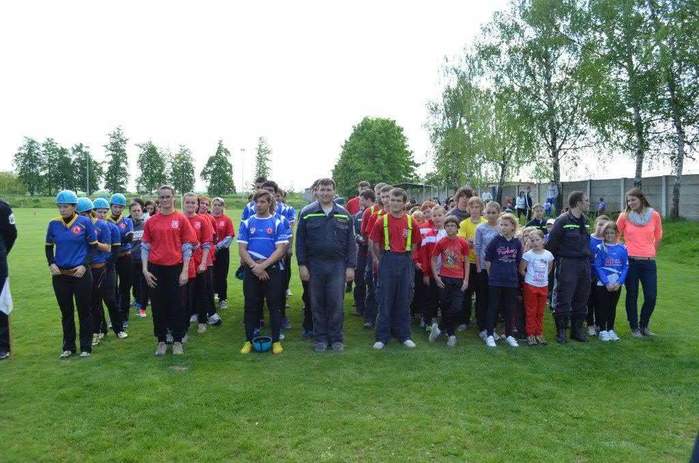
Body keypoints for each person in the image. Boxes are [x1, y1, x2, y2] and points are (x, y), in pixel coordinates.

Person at [296, 178, 356, 353]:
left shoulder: (344, 214)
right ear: (316, 191)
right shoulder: (307, 213)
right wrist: (302, 265)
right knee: (317, 303)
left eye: (328, 189)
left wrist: (350, 266)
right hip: (314, 265)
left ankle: (336, 338)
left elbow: (351, 243)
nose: (325, 193)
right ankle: (320, 339)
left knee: (336, 303)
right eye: (322, 189)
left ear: (334, 192)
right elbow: (300, 242)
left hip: (337, 265)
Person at [141, 185, 197, 356]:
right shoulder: (151, 221)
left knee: (178, 305)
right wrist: (145, 270)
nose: (165, 200)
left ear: (173, 197)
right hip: (155, 269)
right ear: (158, 199)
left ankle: (178, 340)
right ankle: (161, 341)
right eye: (162, 197)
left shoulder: (181, 219)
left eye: (167, 196)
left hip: (176, 268)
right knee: (158, 306)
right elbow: (145, 246)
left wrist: (185, 271)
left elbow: (187, 246)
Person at [46, 191, 98, 358]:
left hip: (80, 274)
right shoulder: (53, 224)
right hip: (60, 275)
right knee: (66, 312)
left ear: (74, 207)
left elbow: (93, 246)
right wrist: (51, 263)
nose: (62, 210)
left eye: (65, 206)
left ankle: (86, 347)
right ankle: (68, 347)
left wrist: (84, 265)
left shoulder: (85, 222)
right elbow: (48, 246)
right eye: (60, 207)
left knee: (84, 311)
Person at [238, 189, 291, 355]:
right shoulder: (247, 222)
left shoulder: (277, 222)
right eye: (256, 202)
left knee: (275, 306)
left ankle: (276, 341)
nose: (259, 205)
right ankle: (248, 340)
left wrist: (263, 266)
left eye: (262, 202)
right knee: (250, 305)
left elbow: (280, 249)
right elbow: (242, 249)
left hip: (272, 270)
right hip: (252, 269)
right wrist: (255, 267)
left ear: (269, 203)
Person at [369, 187, 422, 350]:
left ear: (404, 203)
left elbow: (415, 243)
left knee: (404, 299)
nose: (395, 203)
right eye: (392, 200)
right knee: (385, 299)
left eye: (399, 201)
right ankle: (382, 337)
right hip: (387, 259)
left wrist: (408, 257)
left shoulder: (411, 221)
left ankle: (404, 335)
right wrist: (381, 259)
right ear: (388, 201)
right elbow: (374, 243)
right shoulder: (381, 221)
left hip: (405, 261)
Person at [546, 191, 592, 344]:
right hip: (568, 263)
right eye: (586, 200)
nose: (588, 203)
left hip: (584, 263)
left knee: (582, 297)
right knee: (564, 297)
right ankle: (561, 331)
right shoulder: (562, 220)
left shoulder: (586, 220)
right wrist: (557, 263)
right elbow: (551, 244)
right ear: (578, 203)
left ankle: (576, 331)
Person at [616, 187, 663, 337]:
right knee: (632, 295)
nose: (630, 203)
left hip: (649, 263)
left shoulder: (654, 215)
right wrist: (621, 250)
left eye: (633, 200)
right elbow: (615, 235)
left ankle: (644, 325)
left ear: (641, 199)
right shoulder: (624, 216)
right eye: (628, 201)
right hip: (630, 262)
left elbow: (658, 235)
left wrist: (652, 251)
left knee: (651, 296)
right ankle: (634, 327)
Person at [83, 198, 127, 345]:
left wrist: (108, 266)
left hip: (108, 267)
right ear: (93, 212)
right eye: (99, 212)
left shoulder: (112, 228)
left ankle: (118, 328)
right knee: (94, 300)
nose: (102, 214)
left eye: (104, 212)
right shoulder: (86, 226)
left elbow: (115, 250)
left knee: (110, 299)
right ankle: (101, 329)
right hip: (91, 268)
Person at [428, 216, 470, 347]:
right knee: (445, 306)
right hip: (444, 278)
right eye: (448, 226)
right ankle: (451, 335)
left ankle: (440, 328)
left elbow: (467, 261)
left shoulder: (463, 242)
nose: (450, 228)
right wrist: (436, 277)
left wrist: (466, 280)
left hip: (458, 279)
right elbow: (433, 259)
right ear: (445, 228)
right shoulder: (441, 242)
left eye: (453, 225)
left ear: (457, 228)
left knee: (457, 307)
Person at [484, 213, 522, 348]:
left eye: (506, 225)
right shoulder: (495, 241)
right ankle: (489, 334)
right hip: (495, 280)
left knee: (510, 308)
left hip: (511, 281)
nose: (503, 227)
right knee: (493, 307)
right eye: (501, 224)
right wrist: (491, 275)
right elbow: (487, 259)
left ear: (513, 227)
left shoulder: (517, 243)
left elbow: (518, 261)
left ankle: (509, 335)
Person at [182, 193, 214, 334]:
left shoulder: (202, 220)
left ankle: (202, 321)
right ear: (183, 203)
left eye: (193, 202)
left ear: (197, 204)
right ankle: (185, 322)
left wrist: (203, 263)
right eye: (188, 202)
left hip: (199, 263)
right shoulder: (179, 219)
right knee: (185, 295)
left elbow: (207, 243)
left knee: (201, 292)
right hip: (183, 265)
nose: (190, 205)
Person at [593, 222, 628, 342]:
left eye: (612, 233)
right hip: (603, 284)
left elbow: (625, 267)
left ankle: (611, 329)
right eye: (607, 233)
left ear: (617, 234)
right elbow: (597, 266)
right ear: (604, 234)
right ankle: (602, 330)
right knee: (603, 306)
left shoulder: (622, 248)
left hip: (616, 283)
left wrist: (619, 282)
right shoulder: (600, 248)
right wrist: (606, 282)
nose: (609, 235)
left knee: (612, 307)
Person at [520, 229, 554, 346]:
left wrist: (542, 278)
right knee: (531, 311)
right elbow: (521, 269)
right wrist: (530, 278)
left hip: (543, 285)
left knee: (540, 311)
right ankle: (530, 334)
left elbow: (549, 268)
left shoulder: (548, 255)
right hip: (530, 286)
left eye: (537, 240)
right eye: (532, 240)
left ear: (543, 240)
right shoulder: (528, 255)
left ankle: (539, 333)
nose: (535, 243)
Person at [457, 196, 486, 331]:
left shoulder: (486, 222)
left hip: (483, 263)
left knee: (482, 294)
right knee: (466, 293)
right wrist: (470, 243)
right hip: (468, 263)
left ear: (481, 208)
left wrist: (472, 242)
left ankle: (481, 321)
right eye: (472, 207)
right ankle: (464, 320)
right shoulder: (464, 223)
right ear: (468, 209)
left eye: (477, 207)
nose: (474, 209)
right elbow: (461, 242)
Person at [474, 201, 501, 340]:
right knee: (482, 298)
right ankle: (482, 327)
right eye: (488, 212)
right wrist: (479, 267)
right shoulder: (480, 228)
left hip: (498, 269)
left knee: (494, 299)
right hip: (484, 268)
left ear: (498, 213)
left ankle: (492, 326)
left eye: (493, 212)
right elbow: (477, 248)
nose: (491, 215)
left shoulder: (502, 227)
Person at [108, 193, 134, 328]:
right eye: (115, 207)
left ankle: (124, 317)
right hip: (111, 259)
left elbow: (129, 238)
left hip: (125, 257)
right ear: (111, 206)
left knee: (125, 288)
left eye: (120, 207)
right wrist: (121, 239)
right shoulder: (105, 221)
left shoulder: (127, 221)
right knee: (112, 289)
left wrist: (114, 240)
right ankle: (115, 317)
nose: (117, 209)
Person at [352, 189, 375, 319]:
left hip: (374, 252)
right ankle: (360, 307)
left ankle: (371, 310)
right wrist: (360, 239)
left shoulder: (377, 214)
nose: (359, 202)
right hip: (362, 251)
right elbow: (354, 233)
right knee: (359, 278)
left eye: (361, 199)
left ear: (368, 199)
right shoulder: (357, 216)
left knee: (371, 281)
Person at [586, 215, 610, 336]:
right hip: (589, 275)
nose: (602, 228)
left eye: (605, 226)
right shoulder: (588, 239)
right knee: (589, 301)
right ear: (595, 225)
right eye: (600, 224)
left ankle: (599, 324)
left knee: (601, 301)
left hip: (603, 277)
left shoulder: (608, 242)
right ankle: (589, 324)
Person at [0, 198, 17, 360]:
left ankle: (3, 346)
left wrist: (2, 252)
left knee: (1, 302)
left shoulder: (2, 207)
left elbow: (11, 234)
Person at [211, 197, 235, 310]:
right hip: (208, 252)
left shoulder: (226, 219)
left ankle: (223, 299)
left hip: (222, 252)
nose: (217, 207)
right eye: (215, 205)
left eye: (219, 205)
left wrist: (217, 246)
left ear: (222, 207)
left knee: (221, 275)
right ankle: (211, 296)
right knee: (210, 275)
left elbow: (230, 236)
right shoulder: (207, 218)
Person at [129, 201, 148, 318]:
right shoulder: (127, 225)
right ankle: (136, 300)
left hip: (143, 259)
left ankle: (142, 304)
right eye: (134, 211)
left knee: (143, 282)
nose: (136, 213)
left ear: (142, 211)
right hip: (130, 259)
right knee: (134, 282)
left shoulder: (146, 225)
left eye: (138, 210)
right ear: (130, 212)